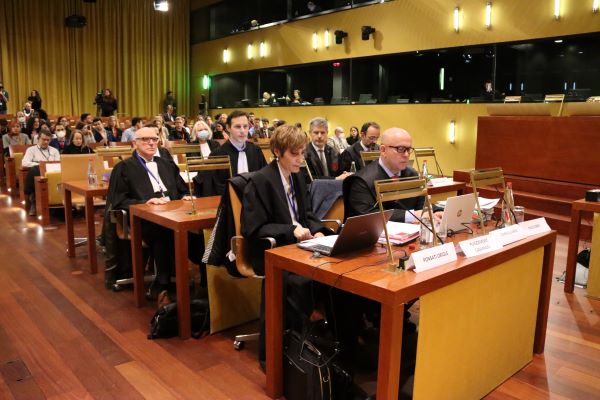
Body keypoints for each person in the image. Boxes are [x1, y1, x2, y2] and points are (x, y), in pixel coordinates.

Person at [241, 124, 333, 365]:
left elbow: (307, 215)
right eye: (295, 153)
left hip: (299, 245)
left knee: (335, 272)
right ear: (277, 152)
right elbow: (253, 228)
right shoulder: (260, 181)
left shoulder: (298, 176)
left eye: (302, 152)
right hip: (272, 249)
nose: (301, 159)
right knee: (300, 280)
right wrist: (291, 230)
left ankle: (317, 341)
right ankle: (281, 354)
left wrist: (321, 230)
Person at [108, 127, 203, 294]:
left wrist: (185, 196)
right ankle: (163, 283)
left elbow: (182, 190)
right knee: (163, 231)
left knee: (200, 232)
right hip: (142, 220)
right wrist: (146, 202)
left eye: (154, 139)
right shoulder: (123, 168)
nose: (151, 142)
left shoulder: (167, 165)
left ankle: (205, 277)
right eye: (145, 139)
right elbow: (119, 201)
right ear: (134, 143)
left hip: (174, 215)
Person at [343, 127, 440, 223]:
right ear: (383, 150)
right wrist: (411, 216)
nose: (406, 154)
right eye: (400, 149)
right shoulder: (361, 181)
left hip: (412, 234)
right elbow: (368, 215)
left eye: (408, 149)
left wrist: (436, 211)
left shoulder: (412, 174)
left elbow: (422, 205)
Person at [211, 110, 267, 195]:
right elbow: (214, 186)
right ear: (228, 128)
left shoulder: (256, 150)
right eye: (237, 127)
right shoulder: (217, 154)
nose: (243, 130)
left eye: (245, 126)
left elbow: (264, 177)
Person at [22, 130, 61, 215]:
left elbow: (59, 163)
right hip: (38, 173)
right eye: (43, 139)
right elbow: (24, 162)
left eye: (48, 140)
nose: (46, 142)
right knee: (35, 169)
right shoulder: (31, 150)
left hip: (53, 173)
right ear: (38, 139)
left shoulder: (54, 150)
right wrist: (41, 165)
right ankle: (34, 201)